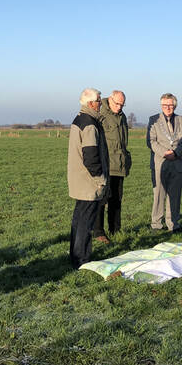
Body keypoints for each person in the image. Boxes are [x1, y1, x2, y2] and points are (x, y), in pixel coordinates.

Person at [67, 88, 110, 269]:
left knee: (78, 219)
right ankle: (82, 259)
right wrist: (100, 179)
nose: (101, 103)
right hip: (88, 182)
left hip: (79, 180)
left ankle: (75, 255)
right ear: (91, 104)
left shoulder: (79, 119)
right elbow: (91, 156)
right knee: (86, 222)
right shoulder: (90, 124)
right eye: (99, 100)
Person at [147, 93, 182, 232]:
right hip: (160, 163)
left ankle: (173, 224)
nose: (167, 107)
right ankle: (156, 224)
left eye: (170, 105)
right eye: (165, 105)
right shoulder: (153, 120)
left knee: (175, 196)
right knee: (159, 195)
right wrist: (165, 153)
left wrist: (176, 153)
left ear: (175, 106)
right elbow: (151, 141)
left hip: (178, 163)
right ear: (161, 106)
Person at [92, 90, 131, 243]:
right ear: (110, 99)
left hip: (119, 164)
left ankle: (115, 230)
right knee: (101, 199)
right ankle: (98, 231)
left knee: (116, 199)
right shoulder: (100, 114)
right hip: (105, 164)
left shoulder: (122, 116)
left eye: (122, 104)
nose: (119, 107)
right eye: (117, 103)